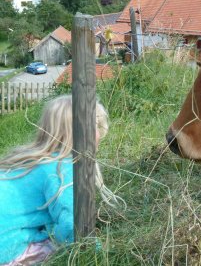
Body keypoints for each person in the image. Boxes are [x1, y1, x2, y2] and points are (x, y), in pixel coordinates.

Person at [0, 94, 124, 265]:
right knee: (55, 246)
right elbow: (71, 225)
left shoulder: (28, 159)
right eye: (95, 125)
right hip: (7, 248)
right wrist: (98, 256)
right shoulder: (61, 168)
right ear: (82, 131)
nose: (99, 133)